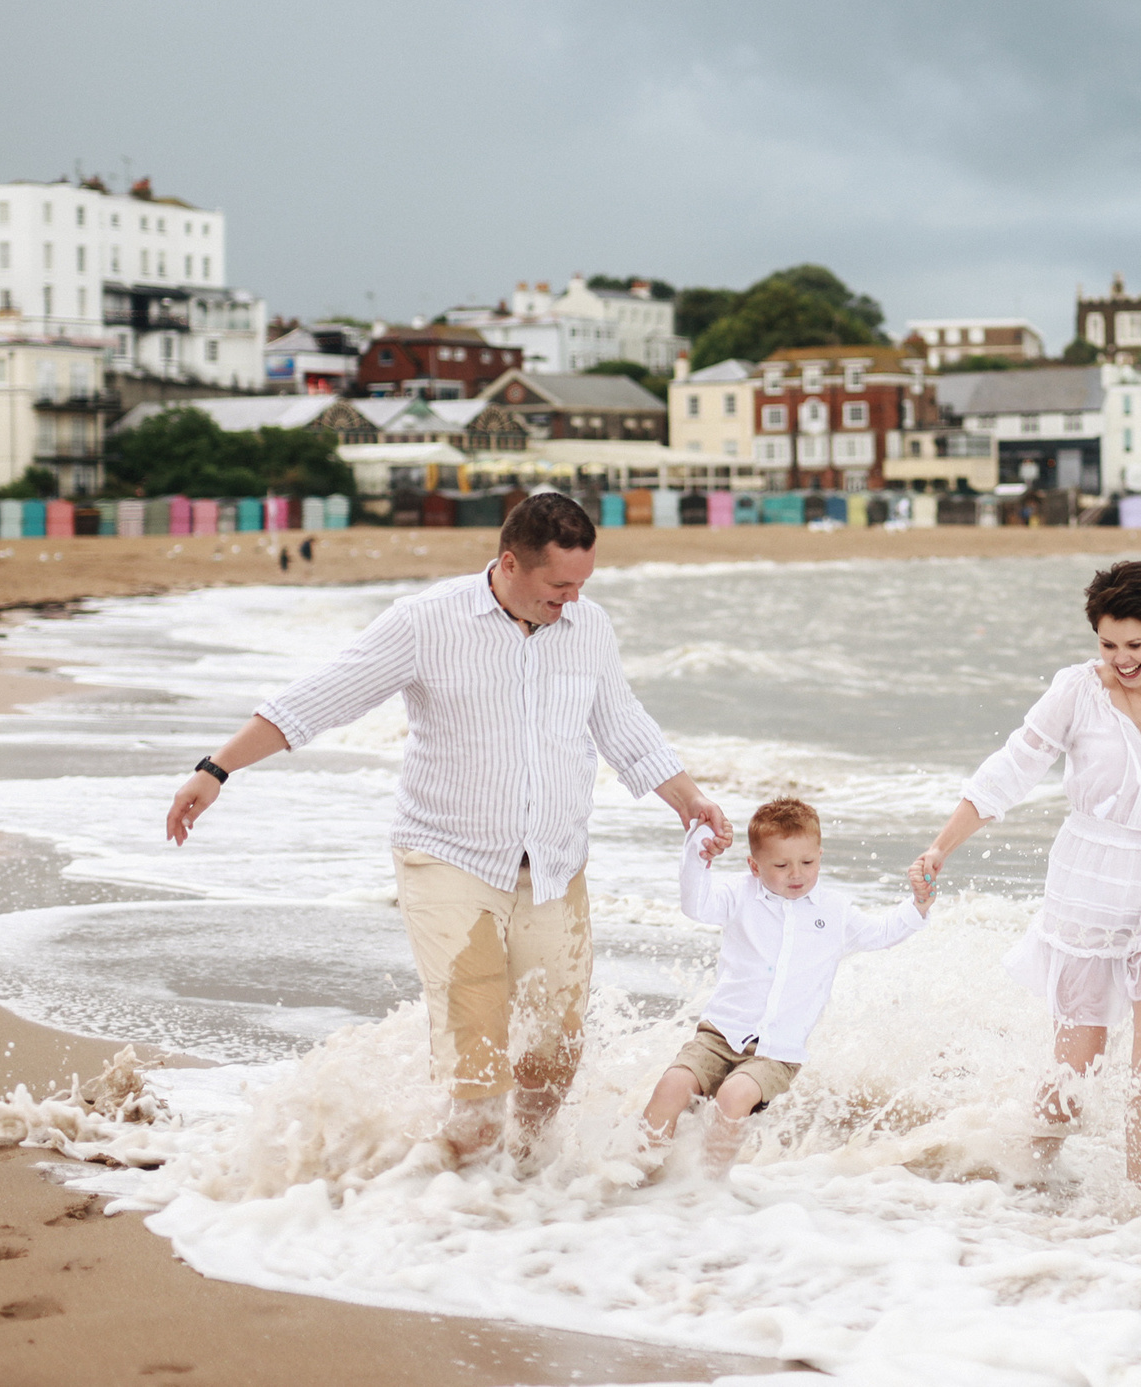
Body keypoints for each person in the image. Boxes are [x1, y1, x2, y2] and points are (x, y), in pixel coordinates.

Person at [163, 490, 728, 1164]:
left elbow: (624, 726)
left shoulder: (589, 626)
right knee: (479, 1055)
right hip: (448, 859)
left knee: (556, 1048)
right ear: (510, 562)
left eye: (583, 583)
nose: (572, 599)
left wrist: (688, 798)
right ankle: (444, 1193)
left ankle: (525, 1174)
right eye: (558, 584)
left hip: (552, 864)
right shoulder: (427, 621)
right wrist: (217, 767)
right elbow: (323, 693)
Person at [911, 560, 1141, 1187]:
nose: (1120, 659)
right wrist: (942, 846)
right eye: (1107, 644)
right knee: (1079, 1061)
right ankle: (1028, 1178)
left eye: (1135, 645)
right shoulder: (1077, 691)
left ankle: (1136, 1203)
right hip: (1089, 875)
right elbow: (1012, 767)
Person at [644, 797, 932, 1171]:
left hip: (777, 1051)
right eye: (781, 865)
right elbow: (695, 904)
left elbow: (883, 932)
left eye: (808, 863)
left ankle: (704, 1185)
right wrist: (698, 855)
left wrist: (919, 905)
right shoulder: (739, 894)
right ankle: (635, 1172)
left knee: (734, 1095)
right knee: (671, 1085)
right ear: (754, 865)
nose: (796, 874)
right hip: (719, 1034)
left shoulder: (834, 911)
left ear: (820, 856)